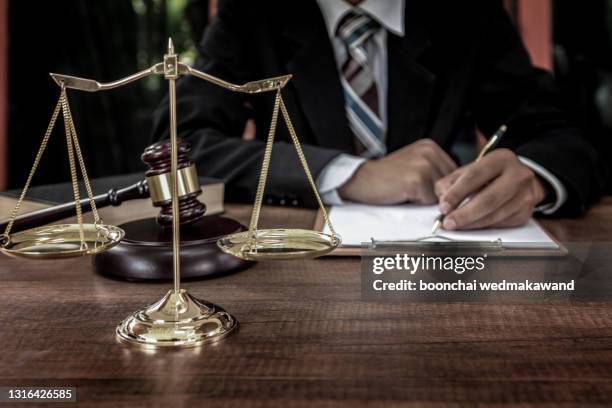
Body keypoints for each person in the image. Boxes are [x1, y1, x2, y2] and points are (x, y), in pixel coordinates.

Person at [151, 0, 607, 230]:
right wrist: (349, 174)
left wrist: (533, 178)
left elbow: (560, 135)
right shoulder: (253, 13)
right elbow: (180, 145)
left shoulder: (465, 13)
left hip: (438, 271)